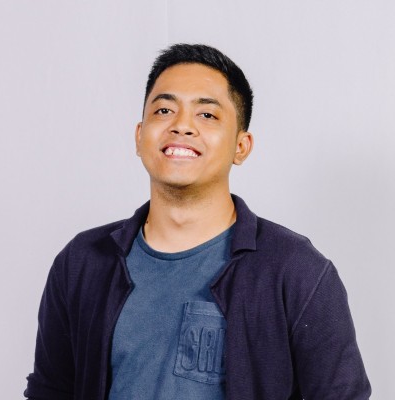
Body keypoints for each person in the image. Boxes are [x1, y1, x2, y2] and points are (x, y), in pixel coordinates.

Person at [24, 43, 371, 400]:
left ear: (241, 146)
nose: (182, 126)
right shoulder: (82, 262)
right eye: (164, 110)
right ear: (139, 136)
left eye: (207, 114)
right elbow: (50, 392)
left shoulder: (297, 271)